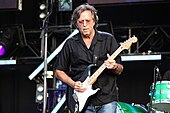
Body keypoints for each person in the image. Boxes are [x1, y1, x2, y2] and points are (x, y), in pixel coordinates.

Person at [54, 3, 123, 113]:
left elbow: (120, 69)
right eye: (81, 22)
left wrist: (114, 65)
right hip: (82, 101)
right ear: (77, 24)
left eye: (88, 21)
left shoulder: (108, 39)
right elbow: (58, 71)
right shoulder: (70, 43)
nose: (84, 25)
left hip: (106, 99)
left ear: (94, 22)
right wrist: (73, 84)